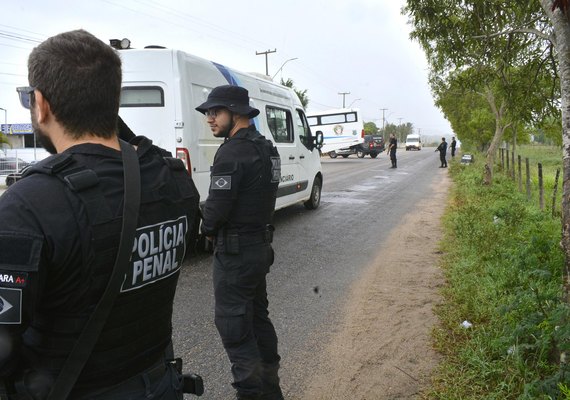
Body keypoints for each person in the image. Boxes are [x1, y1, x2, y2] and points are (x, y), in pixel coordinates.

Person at [0, 30, 200, 399]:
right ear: (112, 100)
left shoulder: (29, 206)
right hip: (157, 383)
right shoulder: (171, 180)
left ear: (40, 104)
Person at [196, 85, 283, 400]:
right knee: (258, 321)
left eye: (215, 112)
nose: (209, 119)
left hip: (235, 254)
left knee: (235, 329)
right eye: (208, 113)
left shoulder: (231, 151)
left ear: (236, 113)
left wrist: (206, 227)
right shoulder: (267, 148)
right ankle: (272, 393)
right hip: (259, 248)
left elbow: (218, 207)